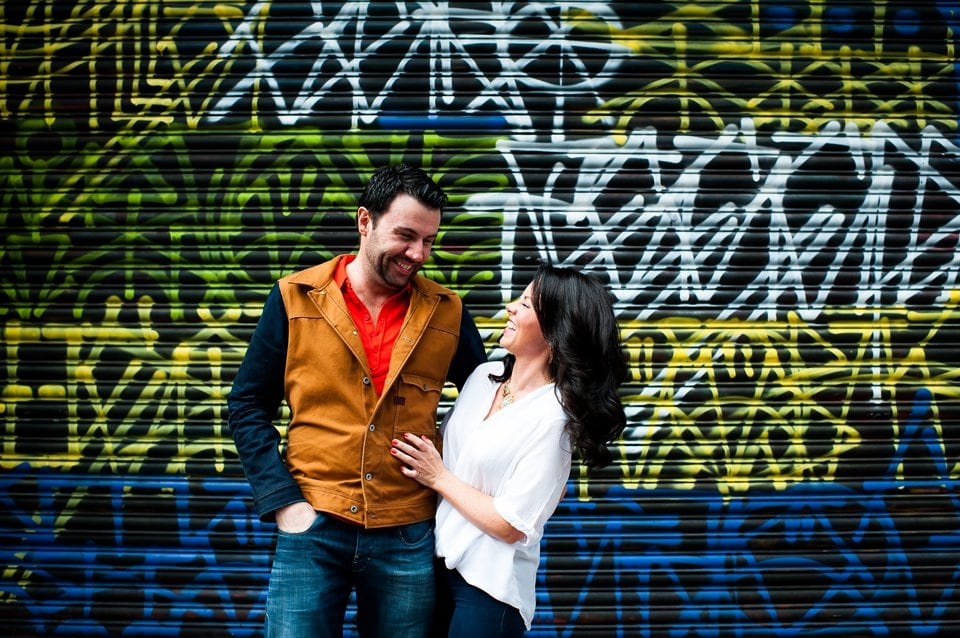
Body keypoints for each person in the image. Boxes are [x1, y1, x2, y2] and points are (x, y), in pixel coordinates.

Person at [227, 163, 487, 638]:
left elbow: (488, 404)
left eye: (428, 241)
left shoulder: (448, 311)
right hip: (312, 523)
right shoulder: (293, 298)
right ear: (364, 221)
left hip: (408, 531)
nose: (417, 253)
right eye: (406, 235)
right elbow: (246, 405)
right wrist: (285, 503)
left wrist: (450, 478)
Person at [390, 262, 628, 637]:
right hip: (433, 566)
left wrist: (438, 477)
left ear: (554, 329)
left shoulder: (553, 417)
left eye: (526, 304)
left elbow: (511, 524)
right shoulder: (482, 378)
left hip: (489, 588)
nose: (511, 309)